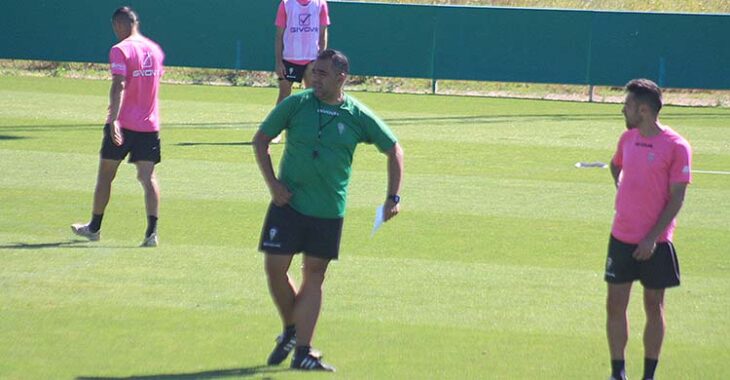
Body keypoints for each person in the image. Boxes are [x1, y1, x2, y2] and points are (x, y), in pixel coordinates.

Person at [252, 49, 404, 372]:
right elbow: (261, 140)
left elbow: (394, 149)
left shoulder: (357, 115)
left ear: (341, 78)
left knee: (314, 276)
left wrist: (393, 197)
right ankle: (292, 328)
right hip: (287, 203)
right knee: (274, 268)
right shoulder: (296, 103)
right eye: (313, 72)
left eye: (322, 73)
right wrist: (273, 185)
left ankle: (303, 351)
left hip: (328, 210)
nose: (314, 78)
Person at [605, 79, 692, 380]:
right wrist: (620, 185)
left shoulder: (676, 146)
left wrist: (652, 238)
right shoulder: (627, 139)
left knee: (653, 306)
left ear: (643, 110)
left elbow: (677, 197)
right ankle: (618, 372)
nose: (623, 109)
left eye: (627, 105)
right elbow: (615, 165)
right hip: (621, 236)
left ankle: (649, 375)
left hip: (656, 243)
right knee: (615, 305)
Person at [71, 6, 165, 247]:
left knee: (105, 177)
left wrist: (113, 119)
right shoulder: (155, 50)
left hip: (123, 125)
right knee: (148, 177)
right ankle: (152, 233)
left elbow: (119, 85)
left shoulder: (120, 50)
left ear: (119, 25)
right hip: (150, 126)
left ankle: (94, 228)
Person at [271, 0, 330, 143]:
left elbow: (323, 34)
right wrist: (279, 62)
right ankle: (276, 131)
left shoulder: (320, 4)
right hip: (289, 58)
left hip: (311, 59)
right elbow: (279, 36)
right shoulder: (286, 4)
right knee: (284, 95)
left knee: (313, 96)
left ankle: (313, 130)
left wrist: (320, 60)